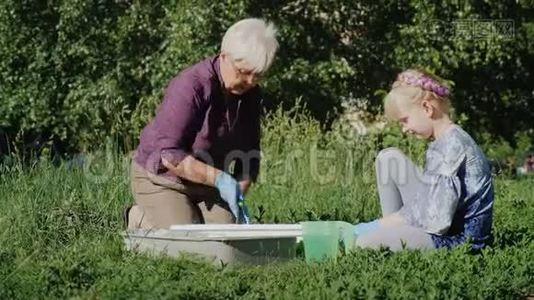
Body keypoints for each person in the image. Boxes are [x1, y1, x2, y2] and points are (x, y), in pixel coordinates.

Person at [125, 18, 279, 229]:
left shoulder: (251, 95)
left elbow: (249, 156)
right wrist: (221, 180)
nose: (250, 82)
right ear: (224, 56)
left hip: (206, 184)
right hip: (163, 179)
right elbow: (169, 155)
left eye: (258, 75)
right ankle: (138, 218)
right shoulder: (191, 86)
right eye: (244, 72)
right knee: (190, 242)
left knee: (228, 235)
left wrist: (238, 195)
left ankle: (190, 215)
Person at [353, 69, 494, 251]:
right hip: (442, 223)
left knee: (363, 242)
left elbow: (436, 221)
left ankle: (393, 236)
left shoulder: (450, 147)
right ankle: (394, 233)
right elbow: (427, 201)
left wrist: (369, 228)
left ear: (427, 108)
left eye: (405, 120)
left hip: (458, 240)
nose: (404, 129)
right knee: (389, 157)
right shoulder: (446, 139)